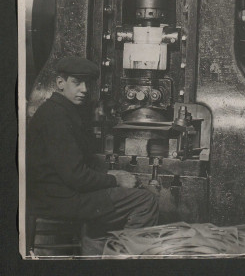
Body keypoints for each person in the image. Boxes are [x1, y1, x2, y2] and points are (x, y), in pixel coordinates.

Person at [27, 56, 159, 255]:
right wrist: (115, 179)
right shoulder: (57, 117)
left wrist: (110, 175)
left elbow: (75, 168)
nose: (84, 89)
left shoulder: (60, 110)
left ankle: (96, 254)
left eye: (87, 83)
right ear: (60, 83)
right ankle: (119, 260)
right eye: (77, 82)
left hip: (55, 194)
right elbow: (76, 177)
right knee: (145, 201)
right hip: (61, 199)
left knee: (115, 201)